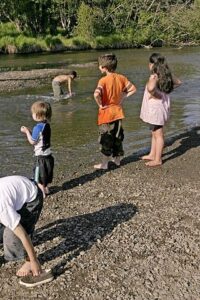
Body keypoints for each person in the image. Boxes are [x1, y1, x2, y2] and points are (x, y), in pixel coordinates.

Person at [93, 53, 137, 169]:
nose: (99, 67)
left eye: (99, 66)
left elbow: (96, 94)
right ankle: (117, 160)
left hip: (106, 114)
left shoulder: (103, 80)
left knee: (106, 138)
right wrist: (123, 97)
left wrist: (100, 105)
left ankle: (104, 164)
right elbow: (133, 89)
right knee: (118, 136)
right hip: (118, 112)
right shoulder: (121, 78)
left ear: (104, 68)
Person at [140, 53, 182, 167]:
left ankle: (157, 159)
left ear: (152, 64)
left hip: (155, 110)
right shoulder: (166, 75)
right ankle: (152, 154)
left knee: (158, 134)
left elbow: (150, 88)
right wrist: (165, 92)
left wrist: (155, 94)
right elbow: (178, 82)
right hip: (160, 108)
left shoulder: (154, 76)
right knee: (154, 132)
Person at [0, 176, 44, 277]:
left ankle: (28, 261)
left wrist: (33, 261)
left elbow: (23, 235)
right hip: (19, 188)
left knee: (11, 234)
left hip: (32, 197)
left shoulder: (2, 208)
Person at [21, 101, 54, 197]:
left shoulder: (37, 127)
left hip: (40, 157)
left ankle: (42, 193)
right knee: (47, 173)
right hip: (48, 155)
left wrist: (26, 131)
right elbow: (40, 137)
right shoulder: (46, 125)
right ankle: (46, 188)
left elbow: (33, 141)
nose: (32, 115)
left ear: (38, 115)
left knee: (38, 176)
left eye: (33, 113)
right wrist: (31, 131)